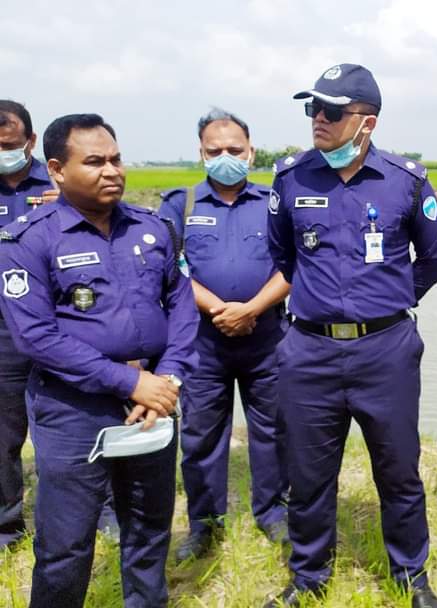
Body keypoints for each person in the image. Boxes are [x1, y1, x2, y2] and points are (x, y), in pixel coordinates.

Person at [265, 64, 437, 608]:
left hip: (385, 350)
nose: (317, 120)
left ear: (366, 123)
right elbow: (282, 256)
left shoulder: (406, 181)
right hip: (310, 350)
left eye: (331, 111)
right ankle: (308, 578)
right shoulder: (291, 178)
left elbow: (434, 259)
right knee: (309, 474)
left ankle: (411, 577)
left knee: (398, 470)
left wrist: (389, 300)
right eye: (311, 109)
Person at [0, 113, 197, 606]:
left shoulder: (154, 228)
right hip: (73, 408)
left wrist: (166, 380)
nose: (112, 171)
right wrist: (128, 384)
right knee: (66, 544)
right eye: (94, 162)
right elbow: (36, 337)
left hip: (152, 402)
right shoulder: (28, 240)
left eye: (115, 159)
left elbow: (183, 306)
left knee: (149, 531)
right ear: (57, 170)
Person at [158, 108, 290, 561]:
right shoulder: (182, 204)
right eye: (215, 151)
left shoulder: (275, 201)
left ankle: (273, 513)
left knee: (273, 430)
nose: (226, 157)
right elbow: (170, 270)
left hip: (266, 335)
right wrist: (219, 309)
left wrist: (252, 308)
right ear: (201, 153)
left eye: (235, 150)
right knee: (201, 436)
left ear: (251, 152)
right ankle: (204, 524)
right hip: (203, 342)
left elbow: (295, 265)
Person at [0, 99, 58, 551]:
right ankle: (7, 525)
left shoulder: (60, 181)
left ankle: (90, 515)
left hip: (59, 326)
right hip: (2, 333)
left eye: (10, 145)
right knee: (3, 434)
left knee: (67, 427)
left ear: (31, 142)